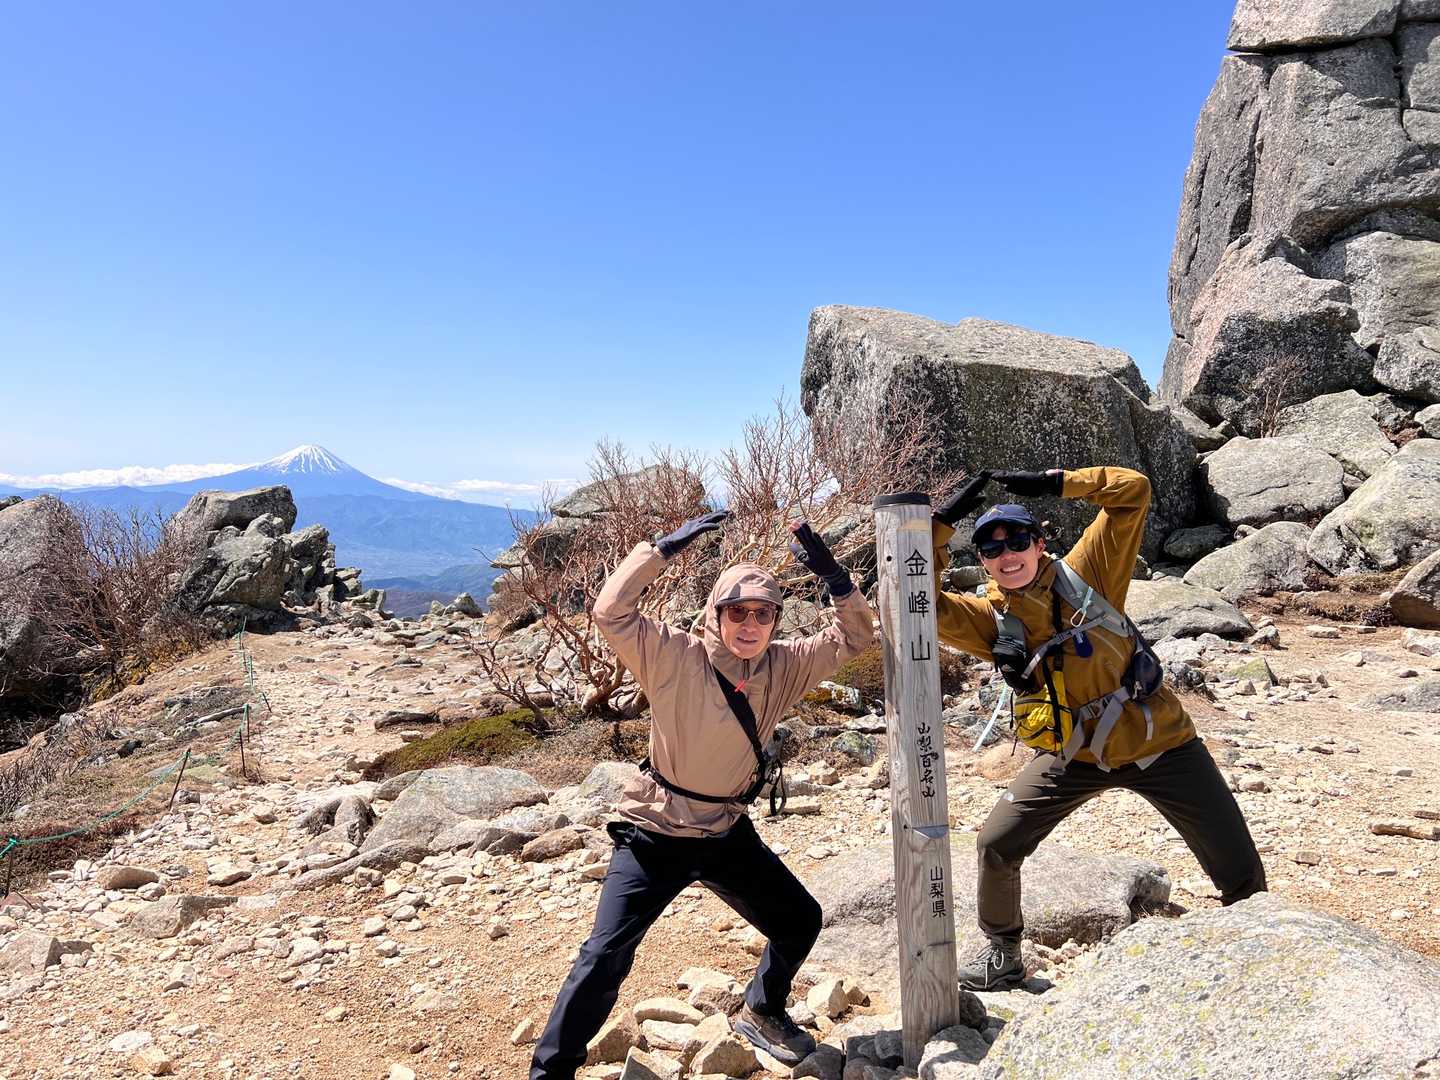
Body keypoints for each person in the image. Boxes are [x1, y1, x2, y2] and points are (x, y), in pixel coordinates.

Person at [529, 511, 875, 1079]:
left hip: (724, 832)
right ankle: (551, 1073)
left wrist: (837, 579)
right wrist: (658, 551)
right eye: (737, 611)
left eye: (763, 613)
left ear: (775, 620)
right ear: (715, 613)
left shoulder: (785, 665)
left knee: (799, 920)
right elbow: (610, 612)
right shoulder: (675, 655)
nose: (750, 624)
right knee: (604, 956)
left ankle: (762, 1010)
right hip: (656, 831)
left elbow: (856, 636)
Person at [929, 466, 1267, 991]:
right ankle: (1004, 954)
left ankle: (1263, 950)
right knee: (997, 843)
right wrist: (939, 527)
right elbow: (918, 601)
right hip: (1074, 756)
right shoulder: (990, 619)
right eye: (992, 549)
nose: (1007, 554)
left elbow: (1133, 492)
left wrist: (1054, 482)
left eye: (1017, 541)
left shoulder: (1089, 572)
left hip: (1162, 746)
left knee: (1238, 866)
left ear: (1040, 543)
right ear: (983, 561)